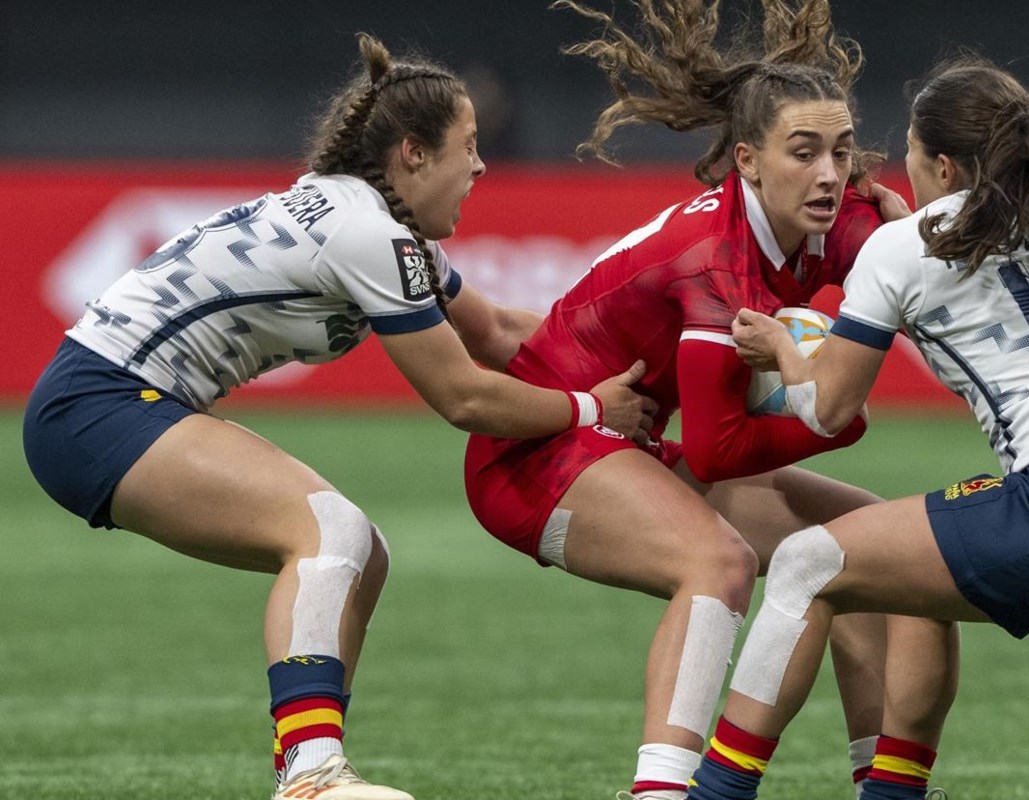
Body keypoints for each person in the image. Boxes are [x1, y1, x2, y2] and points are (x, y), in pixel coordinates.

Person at [22, 33, 655, 800]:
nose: (482, 166)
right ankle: (313, 775)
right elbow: (465, 397)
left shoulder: (381, 225)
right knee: (329, 533)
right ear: (415, 155)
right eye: (470, 146)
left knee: (363, 555)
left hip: (110, 398)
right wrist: (594, 408)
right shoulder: (370, 234)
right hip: (99, 404)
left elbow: (495, 334)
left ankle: (306, 764)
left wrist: (641, 345)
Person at [683, 54, 1029, 800]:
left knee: (804, 562)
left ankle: (714, 794)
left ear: (944, 165)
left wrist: (787, 353)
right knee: (915, 580)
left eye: (916, 158)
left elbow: (829, 410)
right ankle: (892, 793)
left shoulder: (901, 249)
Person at [463, 2, 911, 798]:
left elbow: (921, 267)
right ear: (748, 160)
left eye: (841, 152)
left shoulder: (831, 219)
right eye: (803, 153)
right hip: (534, 451)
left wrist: (906, 230)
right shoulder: (711, 266)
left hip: (625, 441)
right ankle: (663, 793)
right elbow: (717, 453)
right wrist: (830, 421)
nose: (830, 175)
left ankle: (883, 788)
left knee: (866, 547)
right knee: (717, 561)